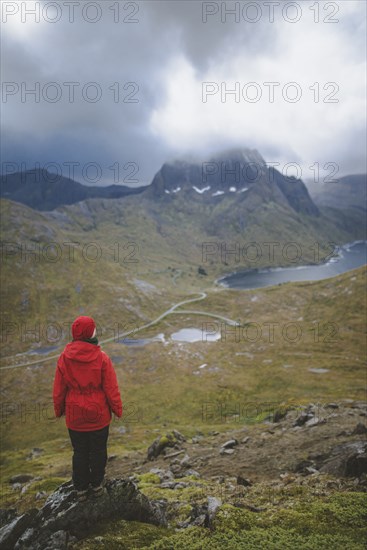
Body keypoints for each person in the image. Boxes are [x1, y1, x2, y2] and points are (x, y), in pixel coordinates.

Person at [53, 315, 123, 501]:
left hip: (75, 417)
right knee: (99, 451)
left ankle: (81, 489)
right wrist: (117, 409)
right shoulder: (102, 358)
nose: (96, 331)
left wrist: (59, 409)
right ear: (89, 333)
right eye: (93, 329)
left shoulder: (64, 358)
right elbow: (111, 387)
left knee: (80, 452)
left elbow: (59, 389)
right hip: (98, 415)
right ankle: (97, 485)